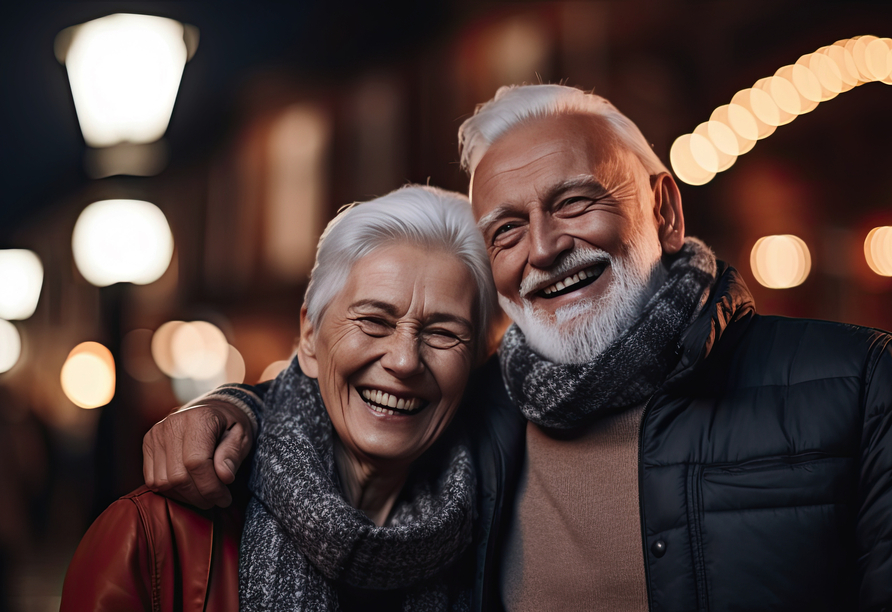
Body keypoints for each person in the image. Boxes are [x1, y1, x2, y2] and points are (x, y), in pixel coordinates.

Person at [142, 85, 892, 611]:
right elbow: (354, 390)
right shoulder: (481, 413)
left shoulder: (860, 384)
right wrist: (230, 407)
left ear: (663, 210)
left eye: (574, 202)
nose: (544, 248)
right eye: (505, 229)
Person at [62, 185, 499, 612]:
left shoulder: (500, 521)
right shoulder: (153, 536)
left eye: (444, 333)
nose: (405, 361)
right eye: (373, 321)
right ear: (309, 336)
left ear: (477, 358)